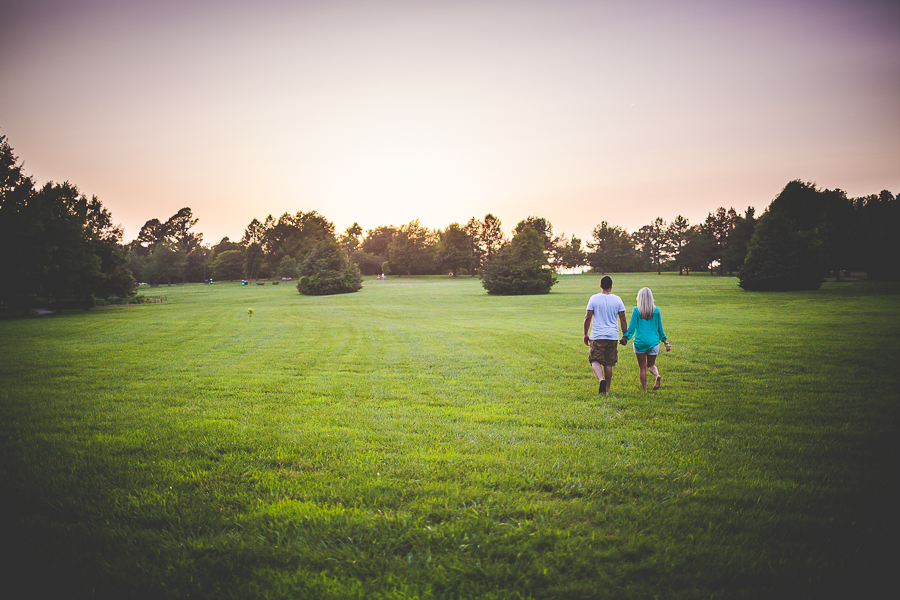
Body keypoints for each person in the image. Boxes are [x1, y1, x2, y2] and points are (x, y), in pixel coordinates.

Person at [620, 287, 671, 391]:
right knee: (651, 365)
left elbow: (632, 327)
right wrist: (665, 342)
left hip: (640, 343)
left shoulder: (636, 310)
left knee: (642, 367)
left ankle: (644, 390)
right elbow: (660, 328)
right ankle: (657, 376)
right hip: (654, 342)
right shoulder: (656, 310)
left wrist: (625, 337)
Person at [583, 276, 628, 394]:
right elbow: (623, 318)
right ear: (611, 286)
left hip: (597, 335)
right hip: (612, 336)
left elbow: (588, 317)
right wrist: (625, 335)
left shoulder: (594, 298)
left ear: (600, 286)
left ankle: (601, 379)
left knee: (594, 359)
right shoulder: (617, 299)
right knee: (609, 363)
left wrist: (585, 334)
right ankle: (607, 389)